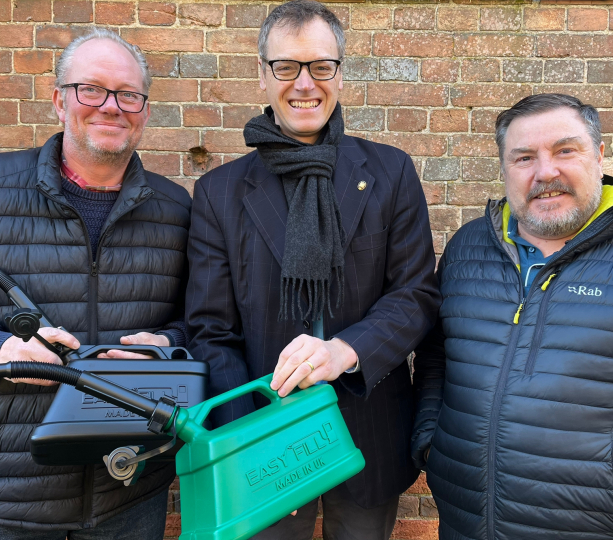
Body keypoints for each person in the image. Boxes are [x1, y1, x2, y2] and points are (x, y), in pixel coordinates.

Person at [0, 28, 191, 539]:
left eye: (128, 94)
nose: (111, 106)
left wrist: (168, 345)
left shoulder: (179, 211)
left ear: (144, 110)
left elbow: (201, 321)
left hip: (128, 481)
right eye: (91, 89)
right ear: (59, 100)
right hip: (5, 486)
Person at [412, 92, 613, 540]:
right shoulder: (468, 248)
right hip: (467, 524)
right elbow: (437, 355)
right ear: (504, 169)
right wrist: (432, 440)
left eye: (565, 150)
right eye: (524, 158)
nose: (546, 172)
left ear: (598, 155)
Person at [185, 1, 440, 538]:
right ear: (262, 76)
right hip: (263, 443)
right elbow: (211, 329)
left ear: (340, 76)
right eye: (287, 67)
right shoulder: (220, 192)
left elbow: (415, 295)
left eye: (321, 66)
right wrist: (257, 433)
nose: (305, 84)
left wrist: (343, 352)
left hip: (367, 430)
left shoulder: (390, 172)